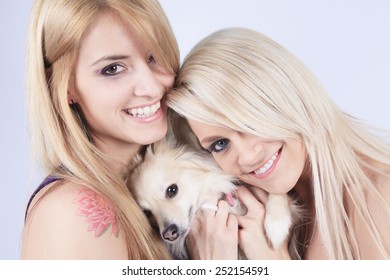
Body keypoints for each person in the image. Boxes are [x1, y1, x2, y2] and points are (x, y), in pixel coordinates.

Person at [167, 27, 390, 259]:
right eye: (220, 144)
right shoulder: (257, 210)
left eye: (248, 122)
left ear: (287, 93)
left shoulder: (381, 198)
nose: (247, 157)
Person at [22, 0, 179, 259]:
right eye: (113, 69)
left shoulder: (175, 180)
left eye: (154, 56)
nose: (151, 88)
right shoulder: (71, 212)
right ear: (65, 87)